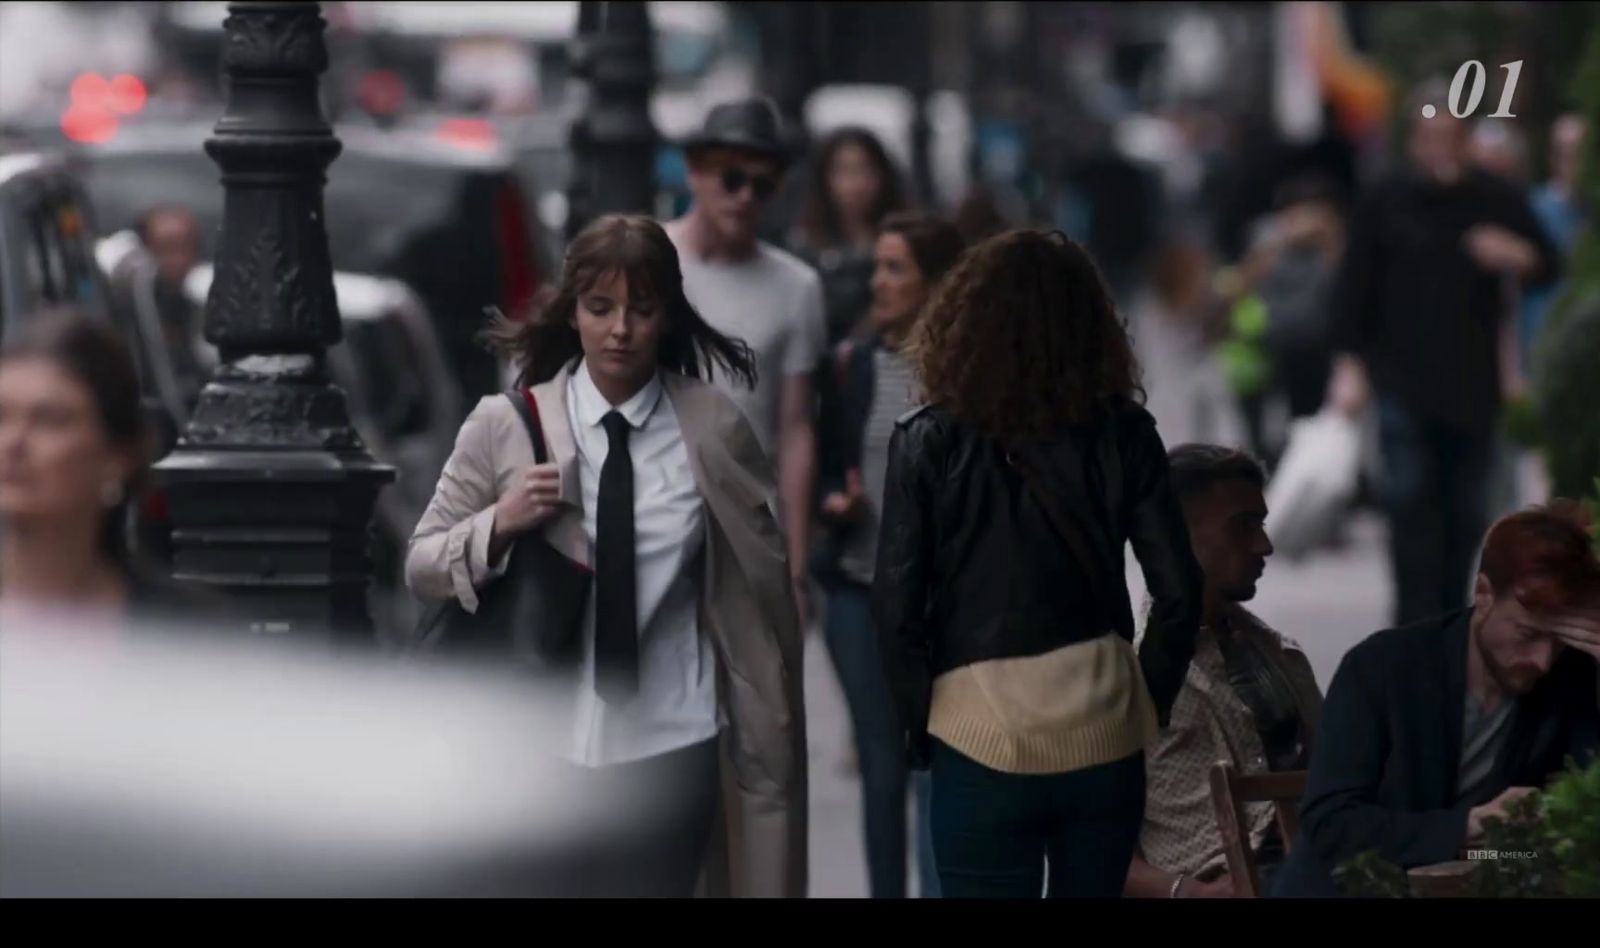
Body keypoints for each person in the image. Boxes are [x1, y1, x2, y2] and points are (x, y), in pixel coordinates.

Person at [405, 214, 807, 898]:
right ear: (573, 314)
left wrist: (769, 721)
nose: (620, 329)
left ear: (666, 319)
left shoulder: (710, 428)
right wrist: (500, 524)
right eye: (600, 308)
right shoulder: (507, 425)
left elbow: (756, 588)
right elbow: (421, 565)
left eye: (641, 310)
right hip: (542, 745)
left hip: (673, 737)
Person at [872, 228, 1204, 899]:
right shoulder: (1127, 435)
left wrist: (921, 723)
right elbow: (1179, 592)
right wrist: (1147, 702)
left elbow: (897, 608)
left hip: (975, 729)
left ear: (962, 324)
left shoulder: (927, 441)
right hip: (1105, 725)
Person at [1270, 501, 1600, 898]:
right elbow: (1331, 824)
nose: (1543, 661)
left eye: (1559, 642)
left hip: (1479, 875)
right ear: (1483, 594)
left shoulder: (1572, 679)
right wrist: (1468, 825)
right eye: (1529, 635)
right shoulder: (1382, 667)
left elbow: (1580, 829)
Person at [1326, 78, 1562, 627]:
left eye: (1451, 135)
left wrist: (1515, 254)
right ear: (1414, 140)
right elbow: (1352, 291)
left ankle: (1451, 624)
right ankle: (1412, 622)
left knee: (1464, 516)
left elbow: (1547, 262)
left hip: (1472, 388)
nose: (1441, 147)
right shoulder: (1386, 199)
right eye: (1430, 135)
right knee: (1409, 506)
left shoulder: (1495, 198)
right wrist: (1349, 365)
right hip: (1402, 385)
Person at [812, 212, 964, 898]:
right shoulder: (851, 366)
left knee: (935, 766)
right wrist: (831, 503)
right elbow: (822, 464)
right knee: (881, 768)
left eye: (896, 268)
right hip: (857, 589)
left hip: (939, 602)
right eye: (877, 266)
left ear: (934, 283)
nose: (878, 282)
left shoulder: (964, 379)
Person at [1125, 444, 1323, 899]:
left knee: (1498, 856)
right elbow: (1088, 850)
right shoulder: (1128, 674)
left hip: (1309, 872)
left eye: (1262, 523)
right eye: (1243, 527)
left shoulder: (1280, 657)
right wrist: (1190, 893)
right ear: (1174, 535)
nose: (1264, 545)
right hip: (1213, 882)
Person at [664, 98, 827, 628]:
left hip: (746, 532)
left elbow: (796, 428)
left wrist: (797, 571)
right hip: (650, 522)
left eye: (762, 185)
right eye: (731, 178)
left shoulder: (797, 287)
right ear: (695, 173)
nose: (745, 197)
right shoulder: (647, 261)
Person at [0, 307, 210, 633]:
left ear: (118, 456)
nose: (13, 443)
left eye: (50, 420)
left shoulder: (185, 633)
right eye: (1, 416)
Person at [786, 126, 909, 346]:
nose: (856, 184)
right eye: (844, 171)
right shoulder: (805, 244)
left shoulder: (905, 241)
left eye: (866, 170)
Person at [1522, 114, 1589, 370]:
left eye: (1581, 153)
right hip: (1541, 349)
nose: (1575, 163)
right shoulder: (1533, 211)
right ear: (1552, 157)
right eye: (1566, 153)